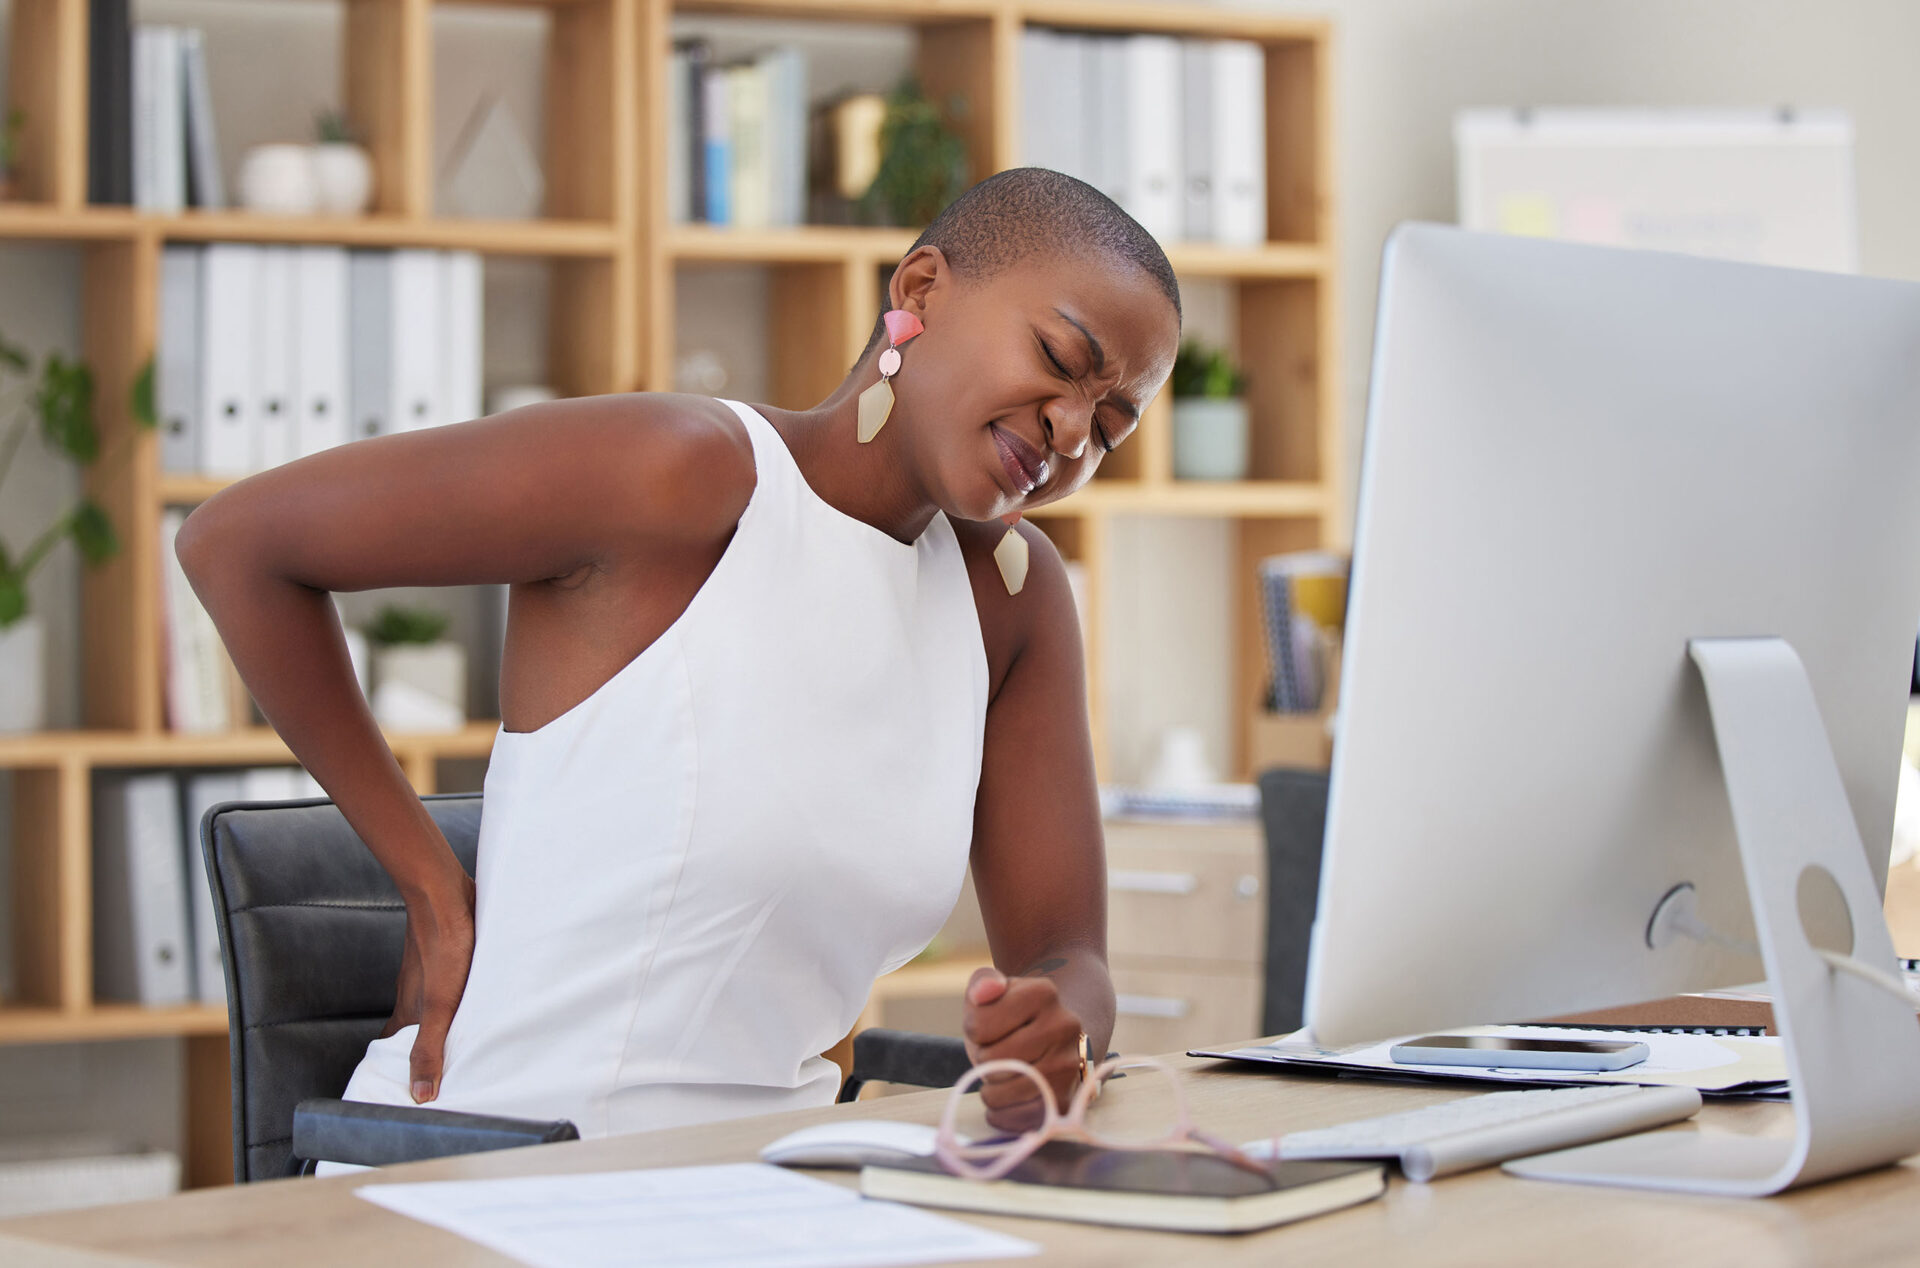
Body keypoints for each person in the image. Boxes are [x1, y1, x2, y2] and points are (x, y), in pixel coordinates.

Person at [176, 167, 1182, 1150]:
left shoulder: (1013, 596)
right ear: (920, 289)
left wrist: (1060, 1027)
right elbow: (238, 544)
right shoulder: (682, 470)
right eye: (1057, 357)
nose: (1068, 433)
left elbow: (1069, 951)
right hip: (495, 1165)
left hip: (764, 1179)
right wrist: (432, 885)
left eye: (1109, 423)